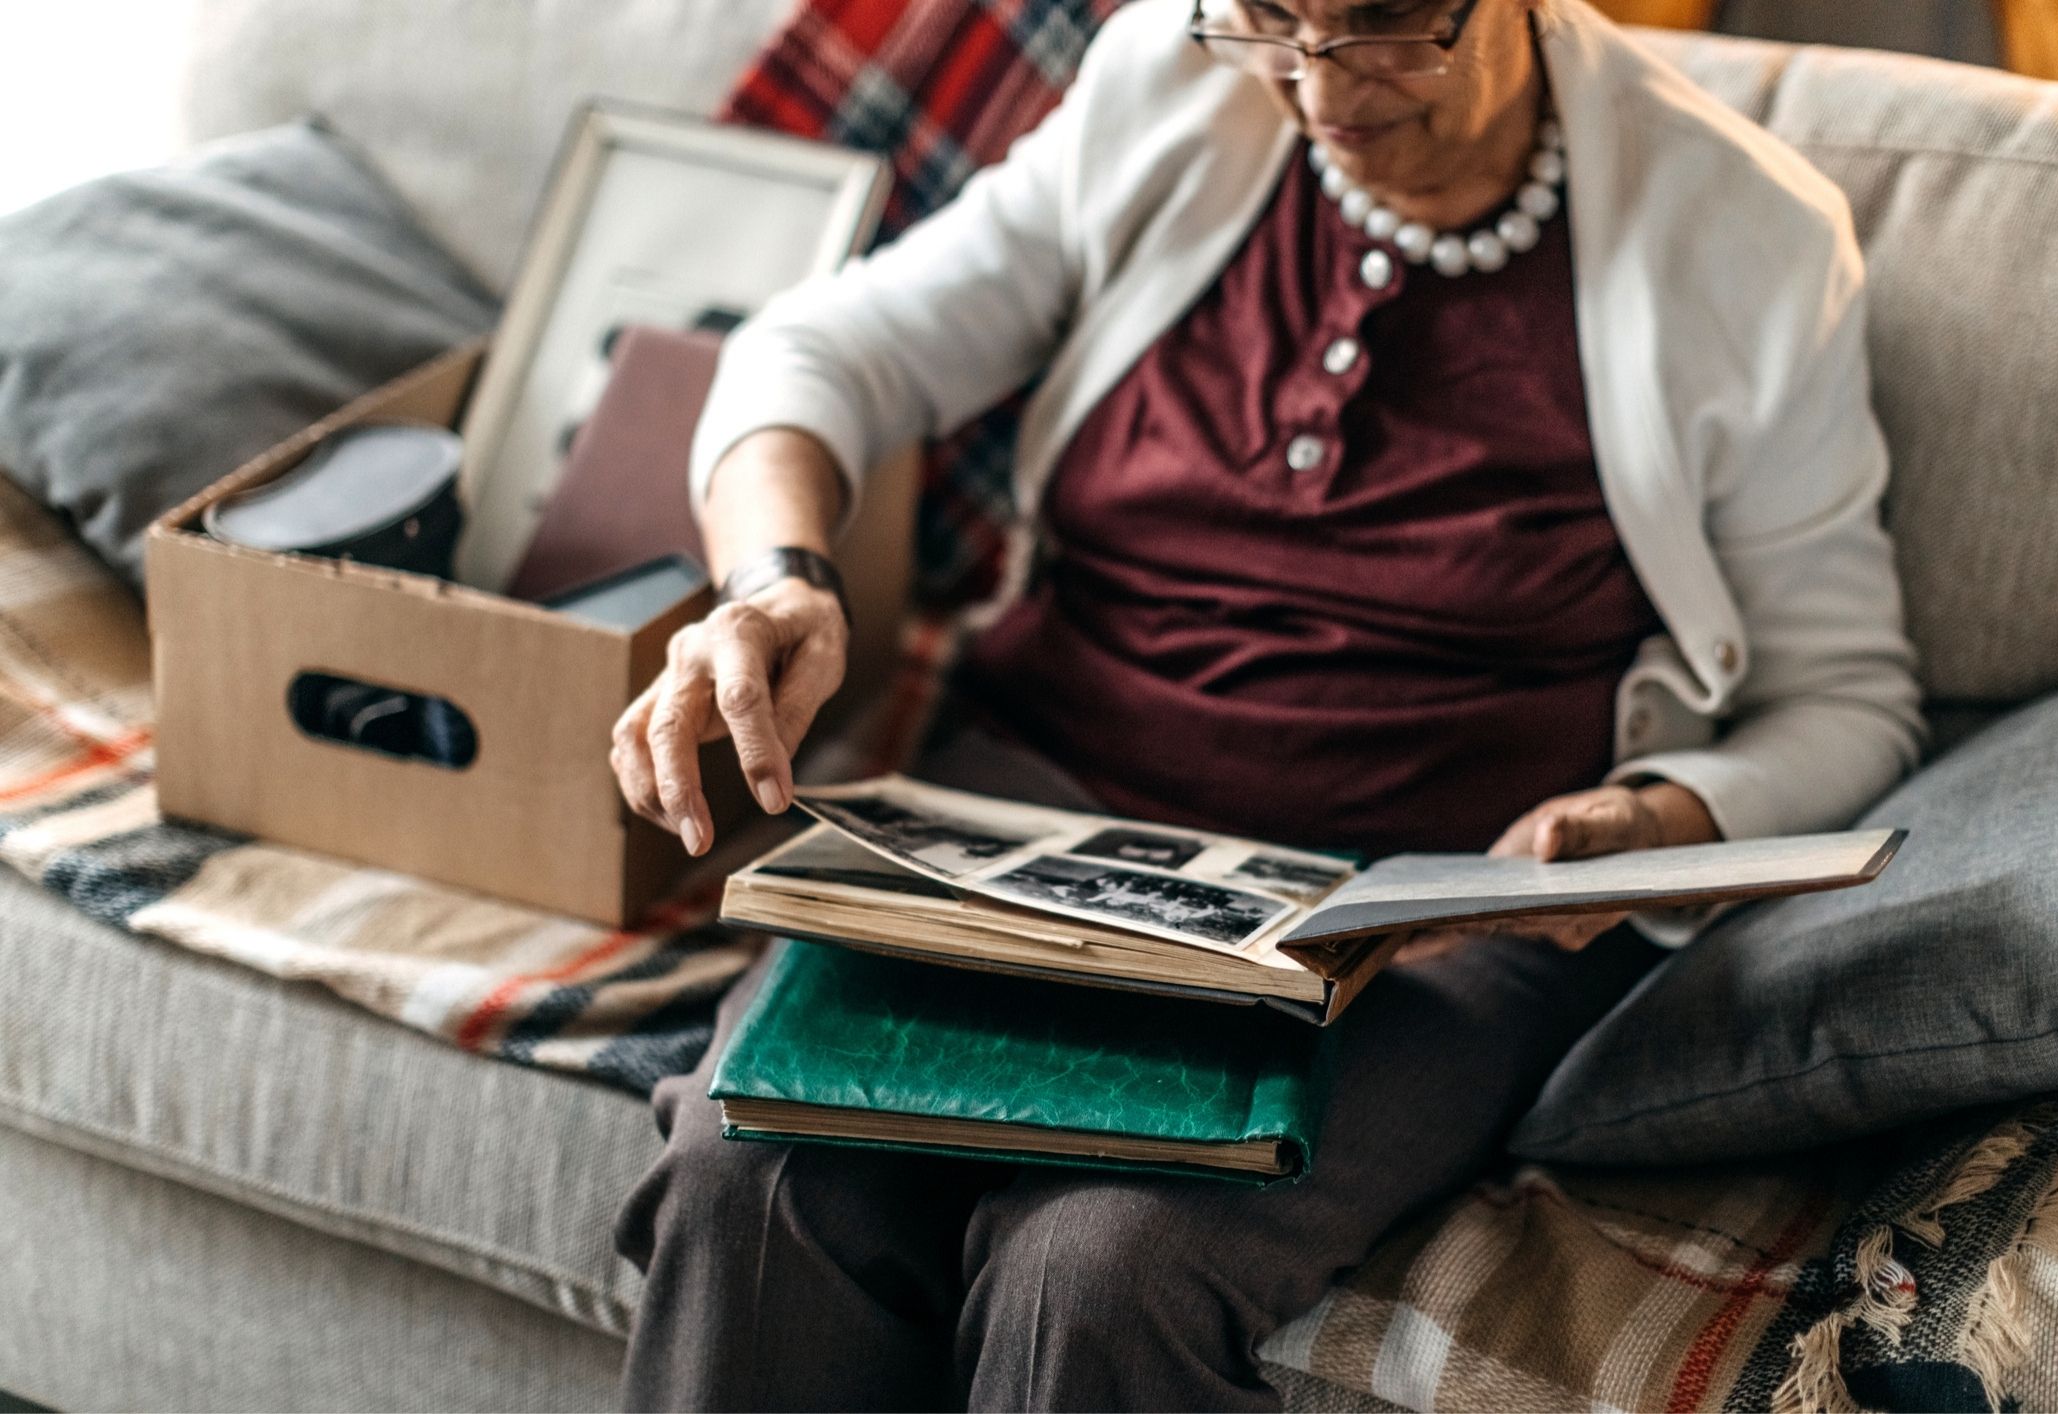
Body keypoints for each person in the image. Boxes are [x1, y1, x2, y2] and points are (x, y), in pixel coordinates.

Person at [606, 0, 1925, 1405]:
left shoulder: (1748, 237)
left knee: (1101, 1268)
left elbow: (1846, 696)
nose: (1315, 86)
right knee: (752, 1174)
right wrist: (777, 582)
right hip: (1034, 813)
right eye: (1268, 18)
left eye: (1379, 23)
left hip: (1420, 909)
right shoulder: (1163, 88)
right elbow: (823, 350)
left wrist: (1659, 815)